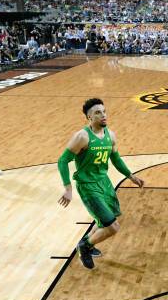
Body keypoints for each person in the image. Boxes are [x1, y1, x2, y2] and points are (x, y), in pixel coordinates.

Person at [57, 98, 144, 269]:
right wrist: (68, 188)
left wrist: (131, 176)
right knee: (112, 227)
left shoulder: (110, 135)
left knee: (105, 220)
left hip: (104, 183)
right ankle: (85, 246)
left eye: (104, 111)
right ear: (89, 117)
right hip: (88, 185)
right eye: (98, 112)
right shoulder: (82, 137)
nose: (103, 115)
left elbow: (116, 159)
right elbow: (62, 161)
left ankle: (87, 243)